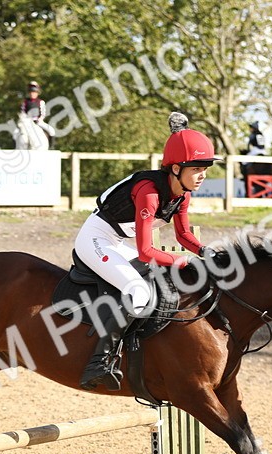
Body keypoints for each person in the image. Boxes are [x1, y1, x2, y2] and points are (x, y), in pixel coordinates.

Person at [73, 112, 215, 391]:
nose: (202, 175)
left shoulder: (182, 194)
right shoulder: (149, 192)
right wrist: (183, 260)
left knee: (158, 284)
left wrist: (206, 251)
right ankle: (97, 364)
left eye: (204, 168)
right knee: (138, 291)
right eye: (196, 169)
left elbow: (183, 235)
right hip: (96, 239)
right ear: (176, 169)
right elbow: (147, 250)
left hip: (117, 242)